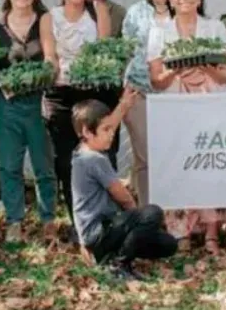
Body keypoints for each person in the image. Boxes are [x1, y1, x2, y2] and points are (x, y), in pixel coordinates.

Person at [147, 0, 226, 253]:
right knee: (181, 166)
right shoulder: (159, 32)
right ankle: (181, 230)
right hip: (177, 107)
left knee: (210, 167)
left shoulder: (215, 28)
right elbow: (156, 81)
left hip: (213, 105)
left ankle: (212, 232)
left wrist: (204, 64)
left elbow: (224, 75)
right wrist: (178, 67)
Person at [71, 95, 177, 280]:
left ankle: (111, 256)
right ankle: (119, 264)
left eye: (111, 128)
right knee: (153, 213)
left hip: (99, 231)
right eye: (105, 129)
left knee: (168, 244)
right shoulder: (94, 159)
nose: (111, 134)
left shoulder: (80, 153)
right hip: (100, 231)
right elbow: (123, 197)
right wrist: (141, 219)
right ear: (87, 132)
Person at [0, 0, 58, 244]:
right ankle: (14, 221)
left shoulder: (43, 19)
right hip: (6, 104)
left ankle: (48, 219)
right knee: (9, 166)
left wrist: (46, 71)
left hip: (37, 102)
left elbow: (51, 57)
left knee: (44, 165)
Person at [44, 0, 111, 228]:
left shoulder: (98, 11)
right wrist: (48, 71)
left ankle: (101, 220)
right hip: (60, 94)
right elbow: (50, 56)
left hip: (91, 93)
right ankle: (79, 223)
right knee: (65, 162)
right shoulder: (49, 17)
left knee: (95, 158)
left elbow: (103, 51)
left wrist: (93, 68)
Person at [121, 0, 172, 205]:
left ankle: (176, 212)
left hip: (175, 92)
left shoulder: (181, 6)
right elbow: (125, 51)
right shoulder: (135, 13)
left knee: (173, 153)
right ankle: (148, 212)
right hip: (140, 91)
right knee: (144, 157)